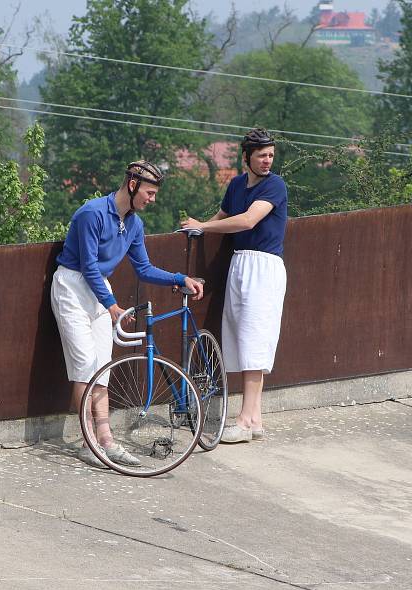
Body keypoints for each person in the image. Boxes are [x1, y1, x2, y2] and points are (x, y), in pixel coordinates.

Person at [51, 160, 204, 468]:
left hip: (99, 291)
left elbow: (143, 268)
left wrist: (179, 279)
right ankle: (88, 442)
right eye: (149, 192)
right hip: (72, 286)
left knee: (102, 367)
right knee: (84, 367)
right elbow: (88, 265)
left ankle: (106, 439)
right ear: (132, 186)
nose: (152, 199)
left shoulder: (134, 224)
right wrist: (112, 305)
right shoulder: (92, 213)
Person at [181, 127, 288, 443]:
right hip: (240, 262)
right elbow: (224, 215)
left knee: (255, 337)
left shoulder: (275, 185)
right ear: (247, 158)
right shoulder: (238, 184)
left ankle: (243, 420)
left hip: (264, 265)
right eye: (261, 155)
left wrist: (205, 226)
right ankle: (254, 419)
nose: (267, 161)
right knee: (240, 336)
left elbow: (247, 220)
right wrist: (200, 227)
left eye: (270, 155)